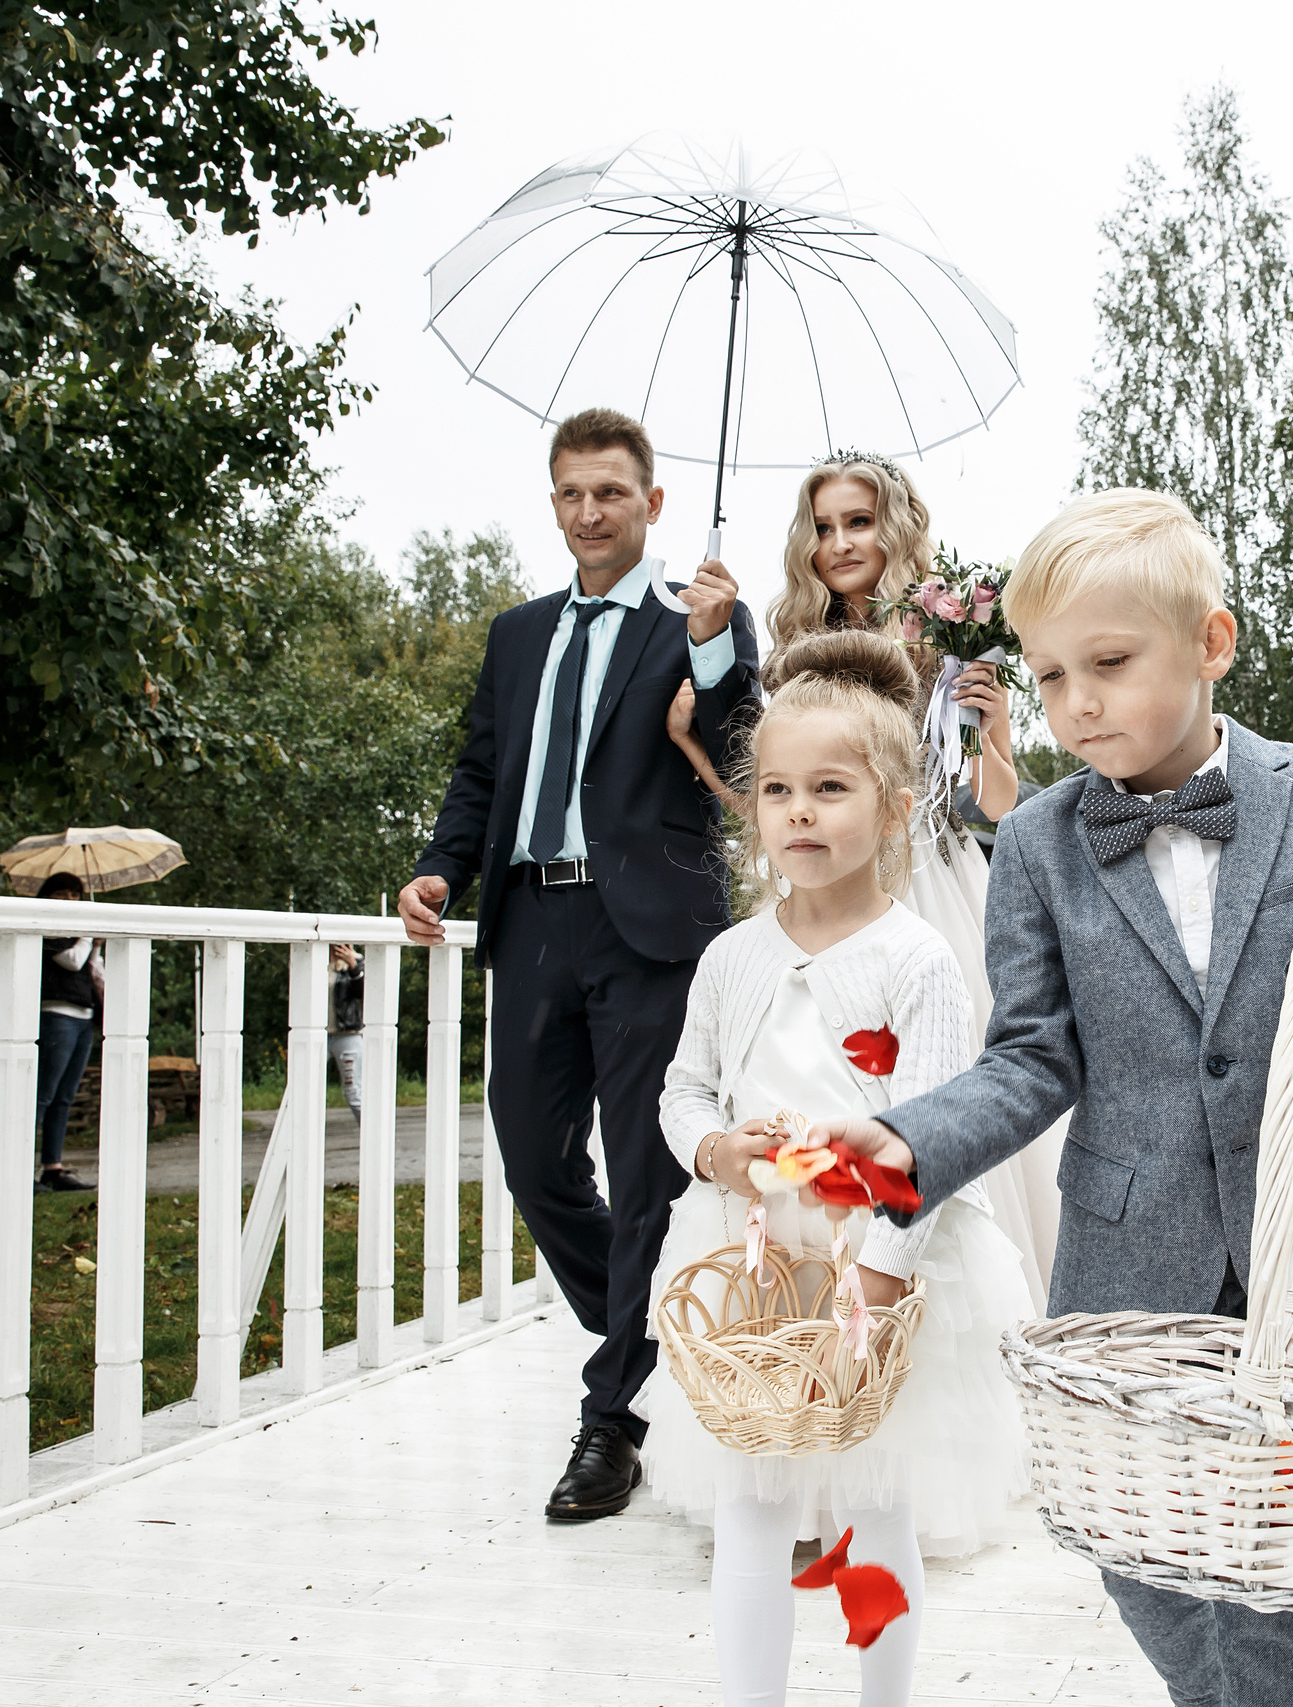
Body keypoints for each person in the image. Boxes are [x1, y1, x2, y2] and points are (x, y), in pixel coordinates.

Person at [778, 489, 1293, 1707]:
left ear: (1211, 644)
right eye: (1047, 677)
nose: (1076, 704)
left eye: (1108, 664)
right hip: (1128, 1249)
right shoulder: (1036, 842)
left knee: (1272, 1561)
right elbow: (1032, 1059)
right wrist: (903, 1140)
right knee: (1132, 1545)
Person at [645, 630, 1033, 1707]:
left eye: (829, 787)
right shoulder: (733, 959)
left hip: (882, 1265)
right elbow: (683, 1088)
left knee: (874, 1501)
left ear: (897, 809)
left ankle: (880, 1698)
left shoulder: (917, 962)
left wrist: (880, 1272)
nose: (799, 812)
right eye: (776, 790)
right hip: (755, 1258)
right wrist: (714, 1149)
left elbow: (939, 1134)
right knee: (753, 1505)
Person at [398, 407, 762, 1523]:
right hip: (530, 922)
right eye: (571, 494)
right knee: (535, 1163)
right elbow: (482, 769)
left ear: (651, 503)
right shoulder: (517, 633)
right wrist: (437, 871)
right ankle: (651, 1337)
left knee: (648, 1173)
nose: (590, 511)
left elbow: (745, 737)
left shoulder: (698, 619)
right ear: (554, 504)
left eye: (612, 492)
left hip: (648, 929)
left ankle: (614, 1418)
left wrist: (713, 641)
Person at [666, 450, 1060, 1302]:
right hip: (825, 883)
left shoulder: (945, 636)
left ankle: (945, 1287)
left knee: (941, 1082)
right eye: (824, 526)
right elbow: (780, 799)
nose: (840, 541)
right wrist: (698, 746)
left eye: (858, 521)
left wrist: (993, 727)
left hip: (928, 878)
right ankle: (810, 1271)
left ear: (896, 528)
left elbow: (993, 804)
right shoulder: (797, 649)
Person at [34, 871, 99, 1193]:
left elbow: (89, 968)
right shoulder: (48, 928)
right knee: (42, 1094)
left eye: (76, 895)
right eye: (63, 894)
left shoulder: (76, 930)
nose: (71, 901)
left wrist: (96, 945)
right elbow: (71, 961)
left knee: (64, 1096)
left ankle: (53, 1167)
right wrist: (88, 936)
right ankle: (18, 1166)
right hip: (57, 1013)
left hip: (85, 1015)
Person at [326, 943, 366, 1129]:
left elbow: (363, 992)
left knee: (353, 1091)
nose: (338, 948)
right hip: (319, 1034)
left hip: (347, 1033)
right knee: (302, 1084)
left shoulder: (357, 963)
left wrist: (352, 965)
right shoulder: (316, 961)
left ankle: (370, 1135)